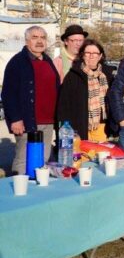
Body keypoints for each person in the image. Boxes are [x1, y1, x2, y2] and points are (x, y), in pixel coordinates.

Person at [2, 26, 59, 175]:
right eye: (35, 37)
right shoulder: (18, 62)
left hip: (48, 121)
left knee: (43, 159)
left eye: (42, 38)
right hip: (28, 121)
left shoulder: (48, 61)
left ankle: (38, 191)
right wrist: (15, 119)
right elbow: (8, 93)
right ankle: (18, 189)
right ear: (27, 41)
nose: (39, 41)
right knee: (23, 159)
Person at [56, 39, 114, 142]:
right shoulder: (73, 75)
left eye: (95, 53)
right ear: (82, 55)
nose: (91, 56)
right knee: (82, 157)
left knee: (99, 156)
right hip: (79, 127)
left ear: (100, 56)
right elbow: (63, 105)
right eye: (88, 53)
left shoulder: (108, 75)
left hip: (101, 127)